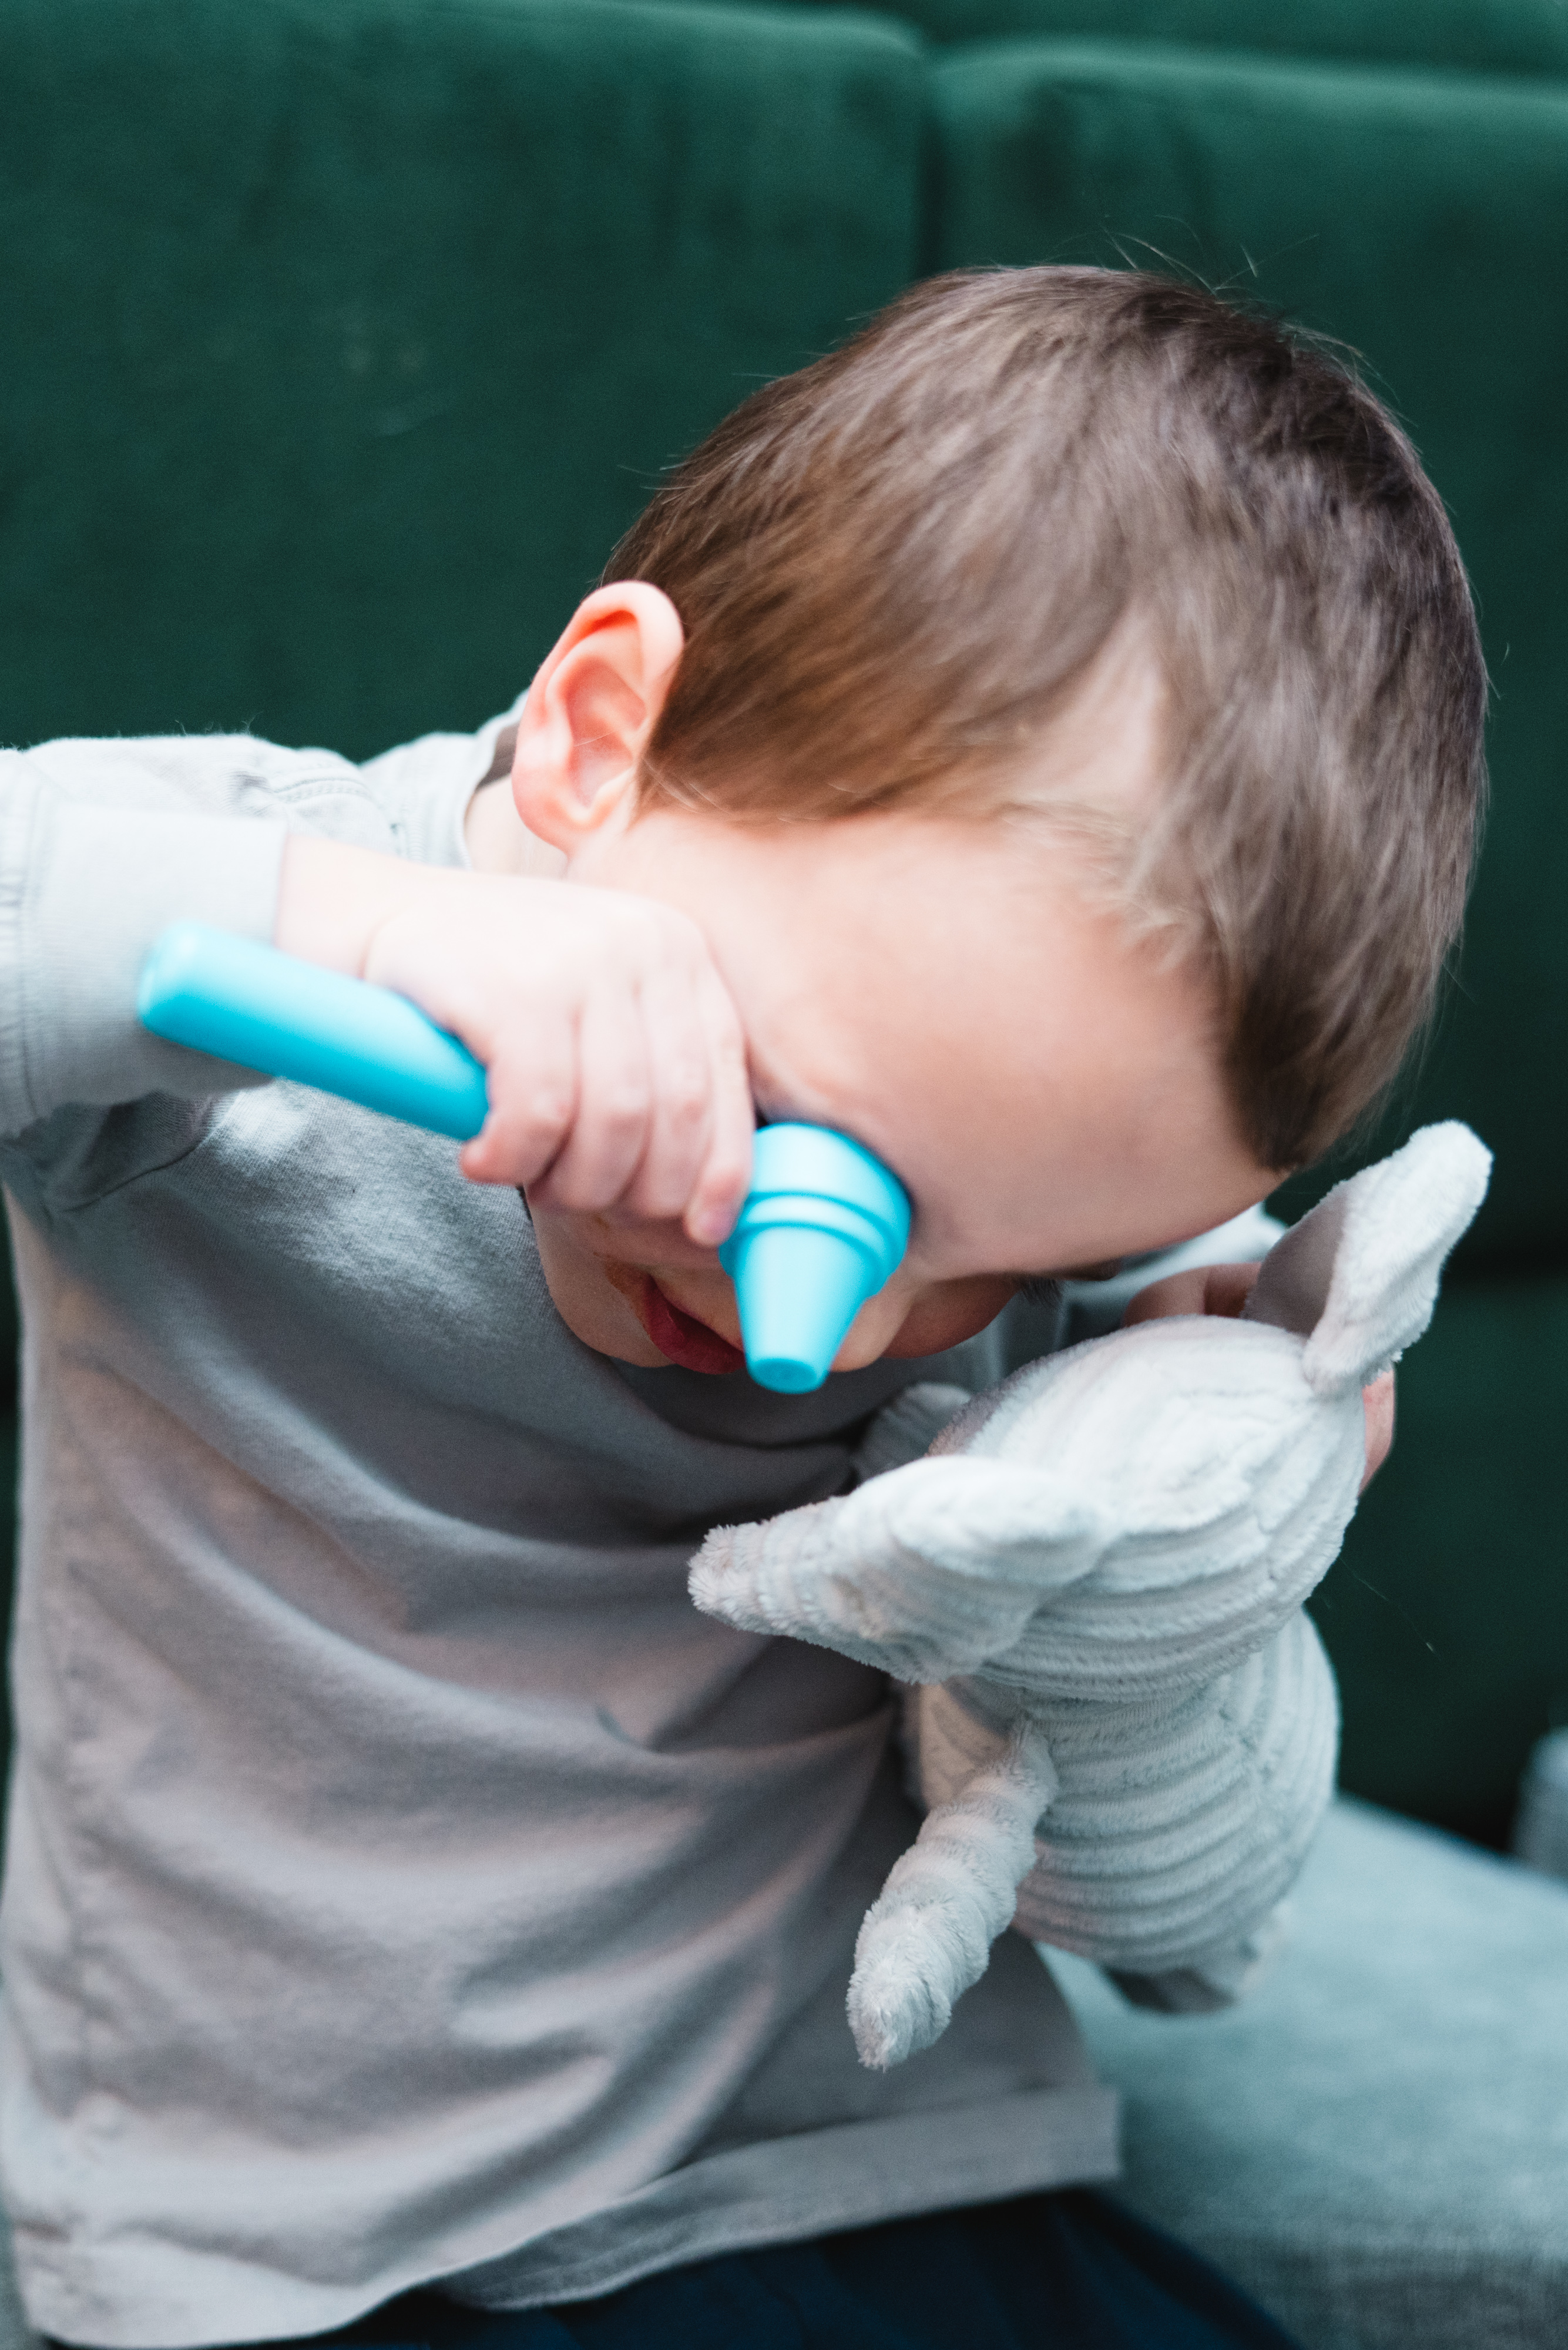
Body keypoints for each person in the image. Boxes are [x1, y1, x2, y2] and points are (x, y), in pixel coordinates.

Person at [0, 267, 1483, 2350]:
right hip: (329, 2263)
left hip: (879, 2163)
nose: (846, 1322)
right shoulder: (273, 970)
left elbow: (1190, 1939)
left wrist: (1175, 1596)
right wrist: (339, 924)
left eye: (1017, 1264)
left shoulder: (1062, 1169)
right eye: (817, 1143)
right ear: (605, 736)